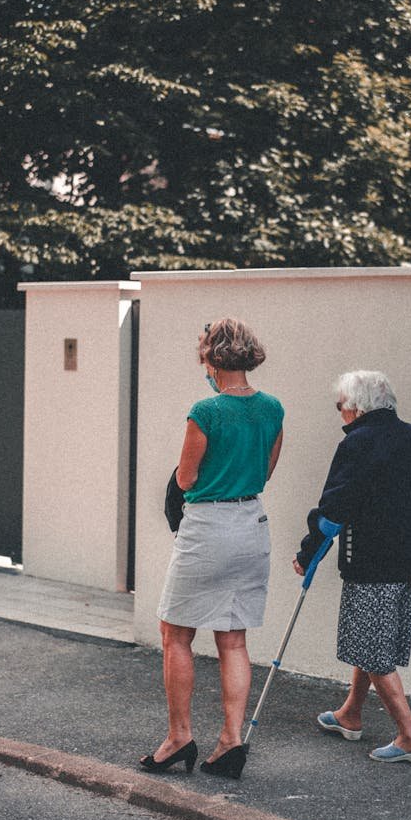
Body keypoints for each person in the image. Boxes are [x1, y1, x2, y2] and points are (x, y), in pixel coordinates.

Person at [141, 318, 284, 780]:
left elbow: (185, 478)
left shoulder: (206, 411)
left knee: (176, 632)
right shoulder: (273, 408)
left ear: (212, 358)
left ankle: (179, 737)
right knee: (234, 637)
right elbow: (265, 471)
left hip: (210, 527)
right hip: (252, 524)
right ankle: (230, 742)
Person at [293, 370, 411, 764]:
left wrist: (306, 554)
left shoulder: (358, 443)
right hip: (407, 560)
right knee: (373, 640)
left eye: (340, 406)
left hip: (370, 561)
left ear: (357, 407)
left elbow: (333, 510)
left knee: (373, 651)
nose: (340, 415)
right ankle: (350, 714)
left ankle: (410, 736)